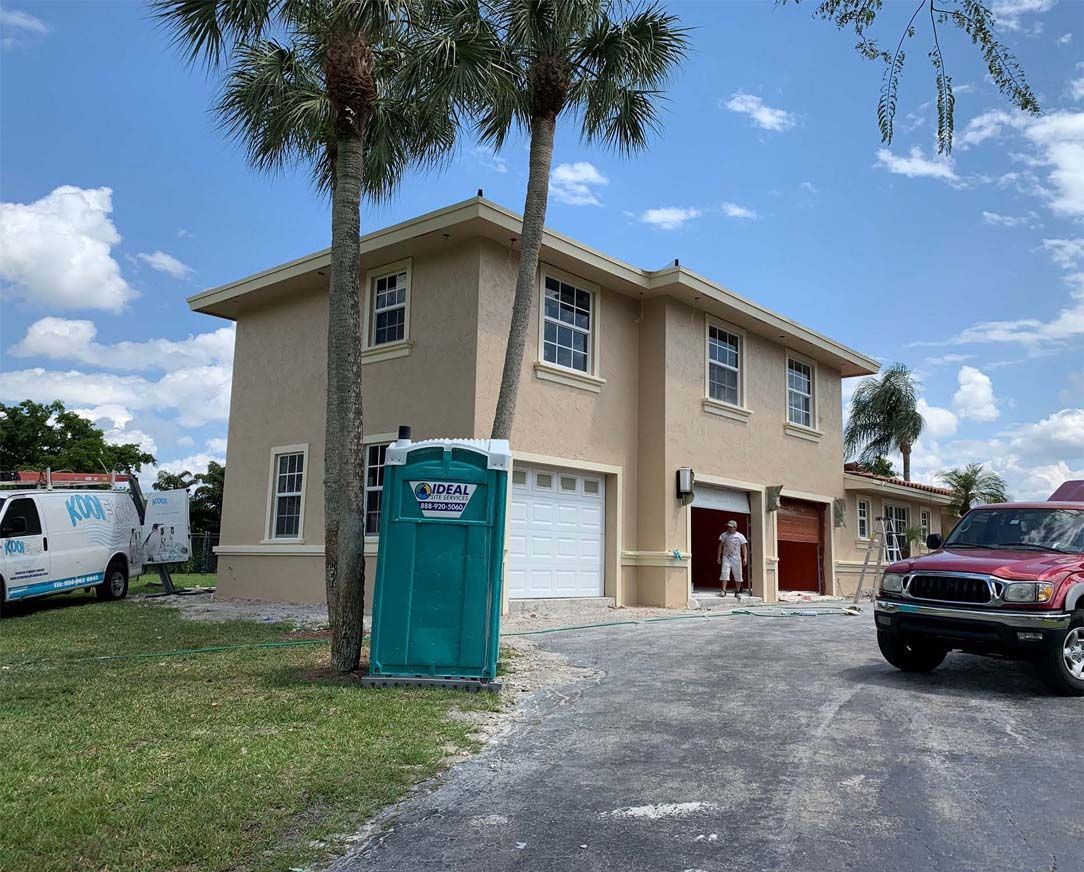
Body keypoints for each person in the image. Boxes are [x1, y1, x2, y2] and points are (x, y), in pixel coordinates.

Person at [717, 520, 749, 596]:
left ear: (735, 527)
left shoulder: (740, 536)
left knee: (738, 574)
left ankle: (738, 591)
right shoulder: (724, 535)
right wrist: (718, 557)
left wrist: (745, 558)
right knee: (725, 572)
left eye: (730, 527)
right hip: (726, 557)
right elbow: (720, 546)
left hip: (736, 558)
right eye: (728, 527)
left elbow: (744, 547)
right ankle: (723, 590)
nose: (729, 528)